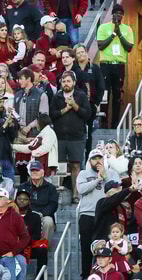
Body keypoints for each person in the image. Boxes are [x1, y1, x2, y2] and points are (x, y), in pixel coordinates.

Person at [77, 150, 120, 279]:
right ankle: (86, 276)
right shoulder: (83, 173)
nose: (97, 161)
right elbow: (81, 189)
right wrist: (97, 180)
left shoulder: (112, 173)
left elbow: (117, 191)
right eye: (94, 159)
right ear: (89, 161)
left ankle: (105, 275)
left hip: (106, 215)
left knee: (105, 246)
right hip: (87, 214)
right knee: (86, 246)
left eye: (99, 158)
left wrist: (105, 176)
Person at [53, 71, 93, 204]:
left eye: (68, 81)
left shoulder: (81, 96)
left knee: (76, 164)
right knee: (58, 165)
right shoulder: (57, 96)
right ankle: (56, 194)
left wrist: (74, 106)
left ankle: (76, 194)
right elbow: (52, 114)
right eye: (63, 81)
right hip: (59, 137)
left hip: (76, 137)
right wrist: (65, 109)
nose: (66, 84)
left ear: (74, 82)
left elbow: (87, 114)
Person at [96, 5, 134, 129]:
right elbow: (100, 46)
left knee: (118, 95)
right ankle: (104, 123)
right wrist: (113, 34)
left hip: (119, 66)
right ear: (112, 14)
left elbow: (129, 47)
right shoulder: (103, 27)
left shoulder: (127, 29)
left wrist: (120, 34)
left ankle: (115, 124)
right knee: (105, 94)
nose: (119, 15)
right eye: (116, 13)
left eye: (121, 13)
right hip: (106, 65)